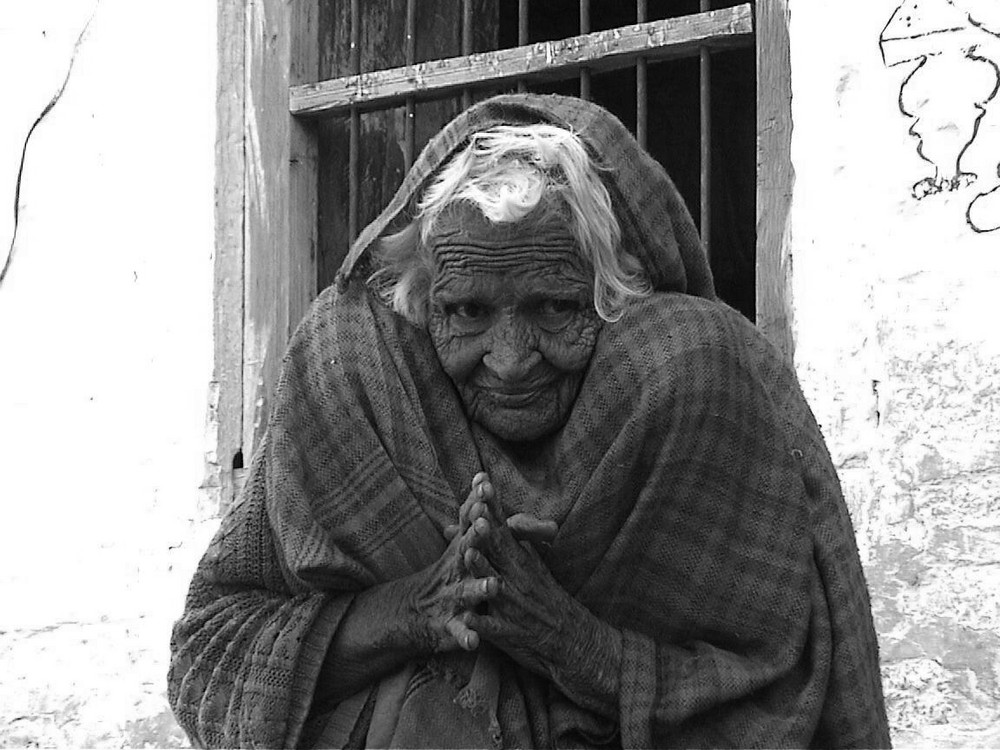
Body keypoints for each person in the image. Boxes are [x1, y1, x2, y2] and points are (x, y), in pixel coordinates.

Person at [168, 93, 891, 748]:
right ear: (422, 302)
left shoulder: (685, 386)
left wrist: (571, 641)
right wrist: (412, 608)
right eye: (468, 313)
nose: (510, 360)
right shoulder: (357, 381)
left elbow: (780, 696)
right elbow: (213, 648)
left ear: (613, 298)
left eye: (554, 308)